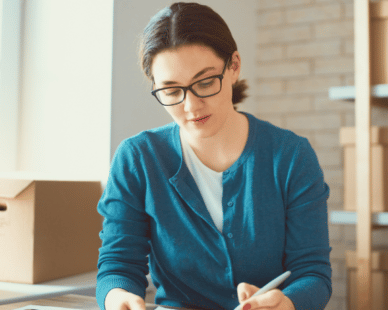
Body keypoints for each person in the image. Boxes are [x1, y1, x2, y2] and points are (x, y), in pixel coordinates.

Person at [96, 2, 332, 310]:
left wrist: (287, 302)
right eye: (171, 91)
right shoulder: (137, 158)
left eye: (205, 82)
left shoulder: (290, 156)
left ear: (233, 66)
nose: (191, 105)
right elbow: (118, 265)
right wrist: (119, 299)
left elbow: (313, 273)